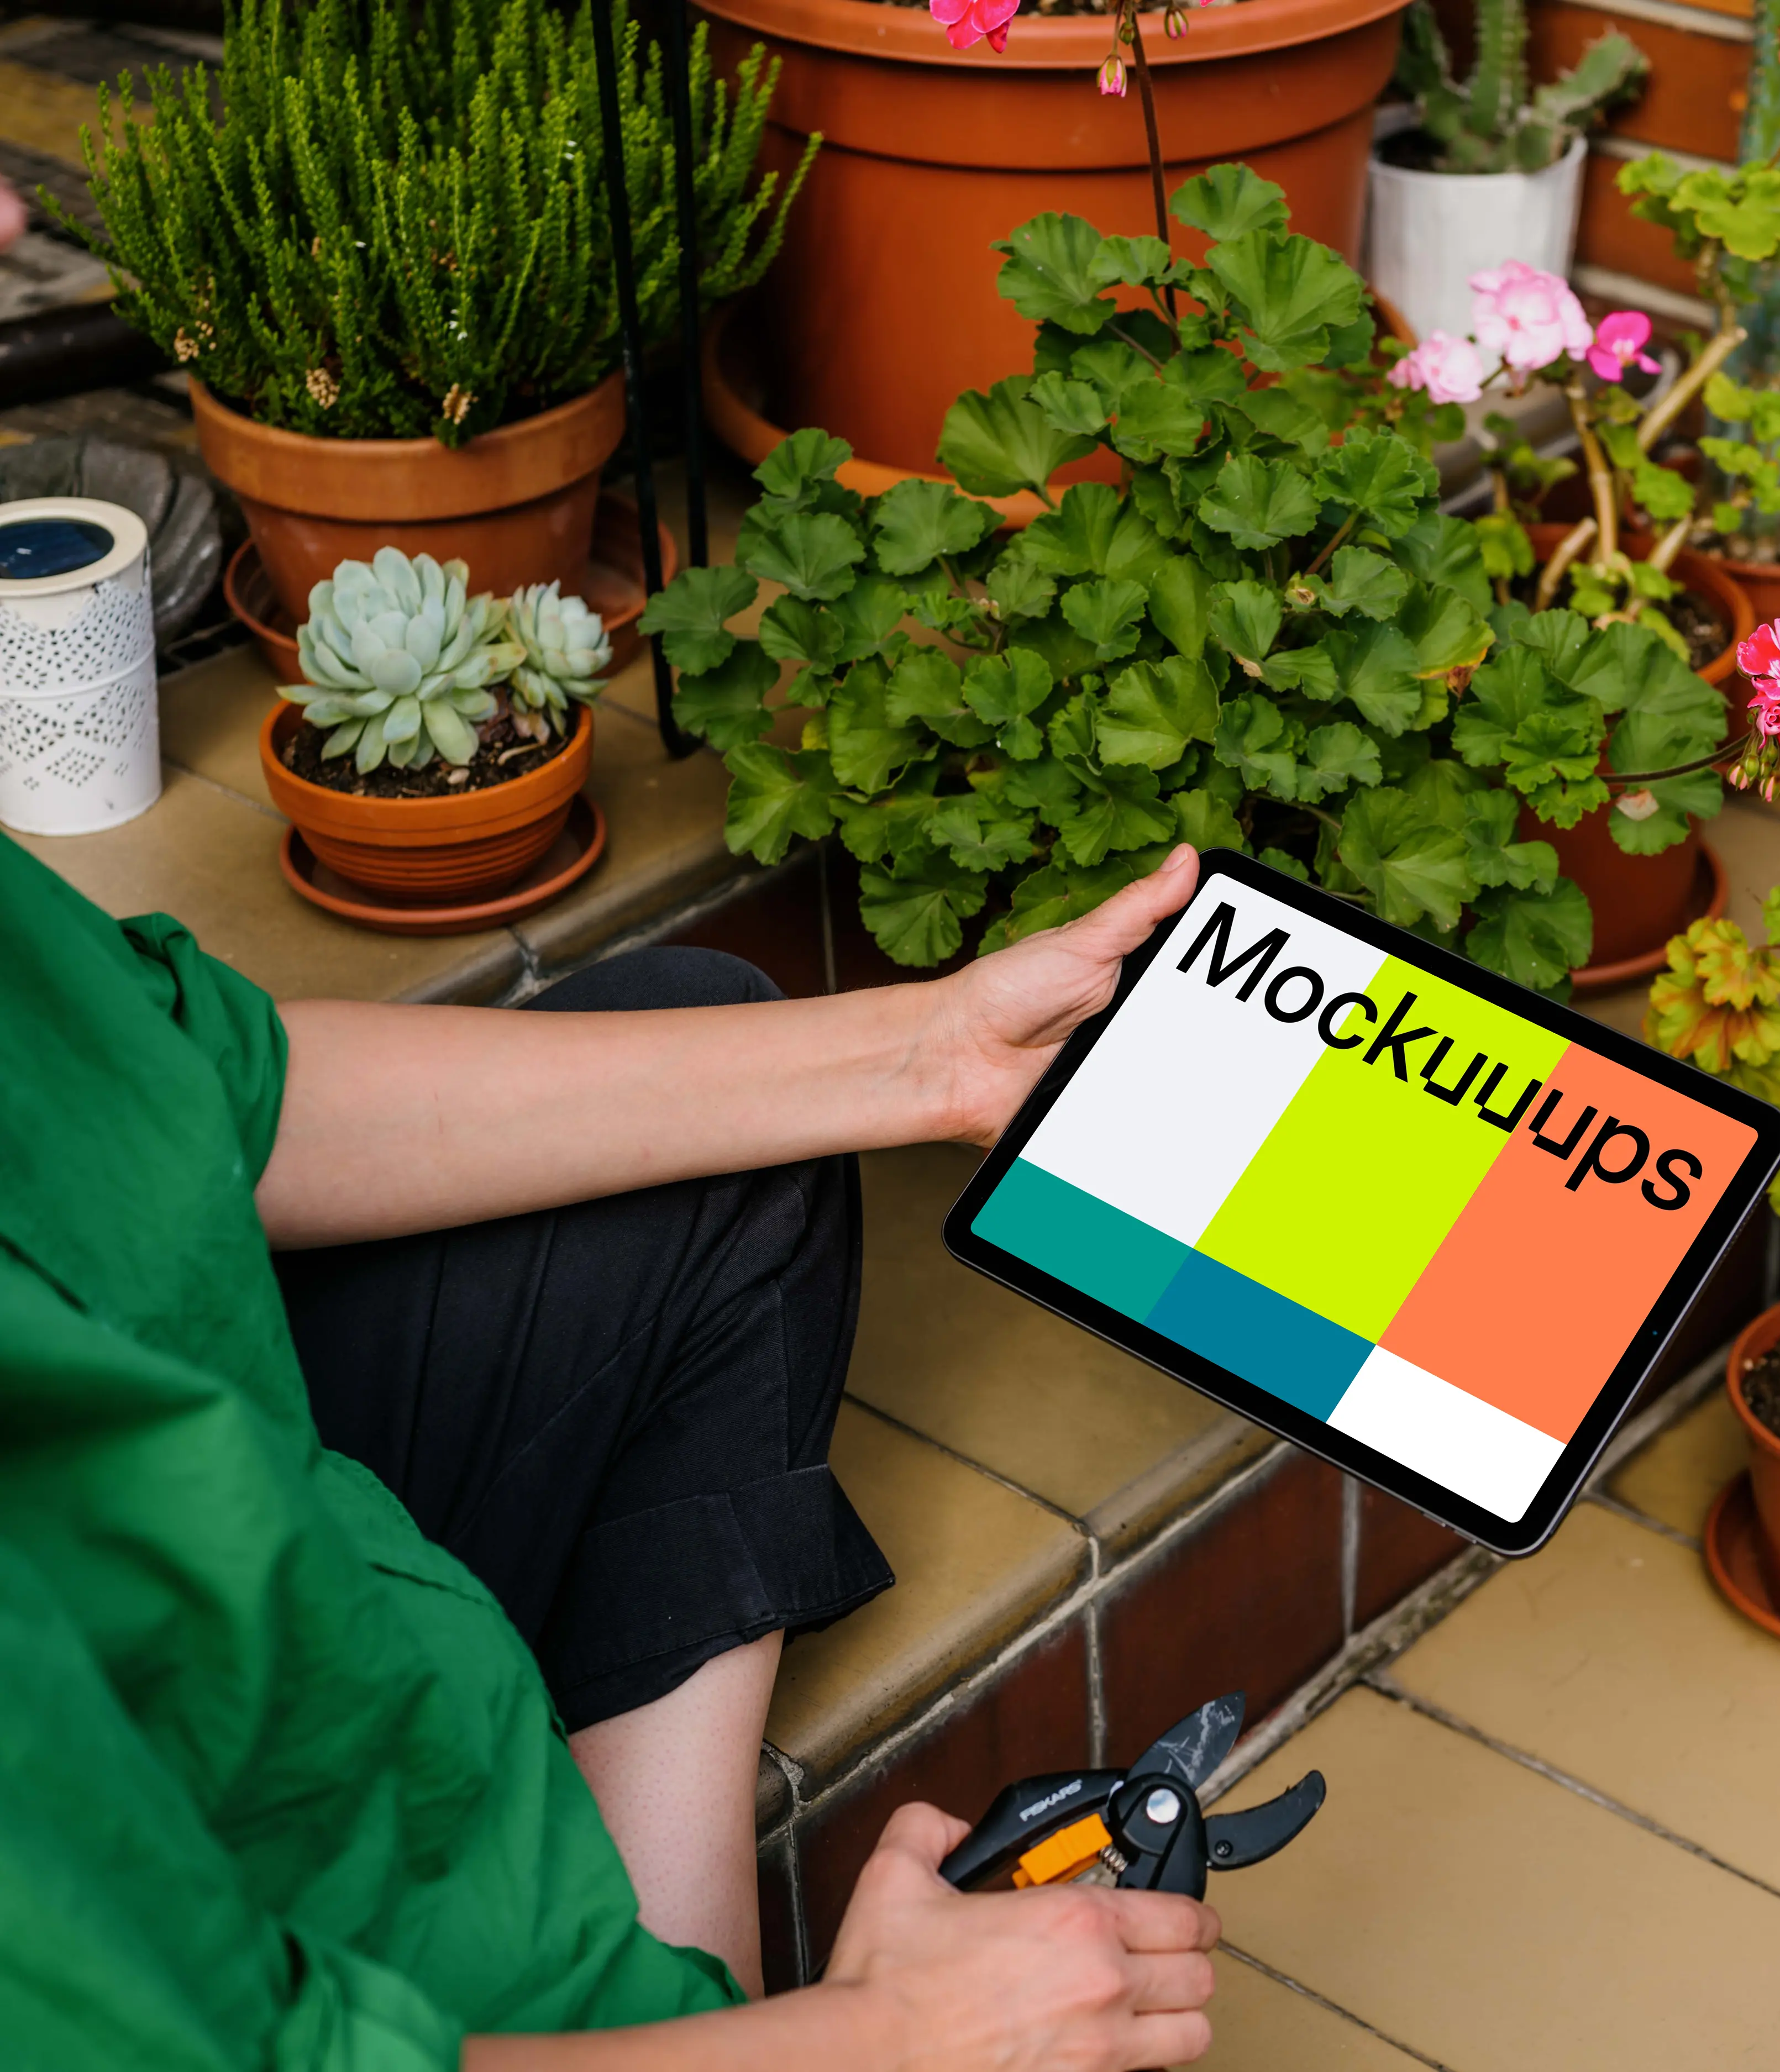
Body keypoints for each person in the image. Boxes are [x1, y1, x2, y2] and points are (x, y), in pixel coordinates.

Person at [0, 830, 1220, 2071]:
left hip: (218, 1502)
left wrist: (933, 1054)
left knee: (714, 1067)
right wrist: (888, 2043)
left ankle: (691, 1998)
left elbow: (200, 1083)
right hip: (194, 1888)